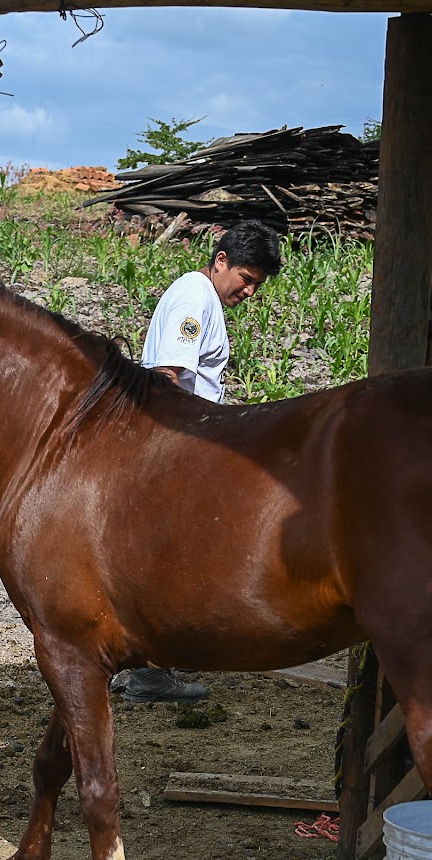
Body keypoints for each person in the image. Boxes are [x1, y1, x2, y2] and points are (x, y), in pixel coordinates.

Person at [120, 219, 285, 704]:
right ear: (221, 262)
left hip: (180, 444)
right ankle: (150, 671)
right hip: (177, 446)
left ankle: (148, 659)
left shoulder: (202, 296)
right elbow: (168, 375)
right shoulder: (196, 298)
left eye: (257, 284)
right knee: (167, 556)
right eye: (247, 278)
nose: (250, 292)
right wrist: (175, 458)